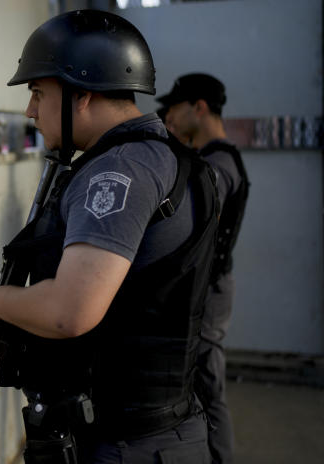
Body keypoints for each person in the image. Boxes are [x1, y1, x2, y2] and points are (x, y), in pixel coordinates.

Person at [0, 10, 220, 463]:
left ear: (81, 95)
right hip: (166, 430)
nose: (31, 110)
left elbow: (72, 311)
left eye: (38, 93)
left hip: (126, 445)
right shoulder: (170, 159)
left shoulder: (117, 172)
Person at [157, 73, 250, 464]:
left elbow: (203, 198)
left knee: (209, 388)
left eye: (176, 108)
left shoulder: (219, 162)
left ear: (199, 108)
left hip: (209, 292)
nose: (170, 118)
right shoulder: (212, 157)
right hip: (209, 286)